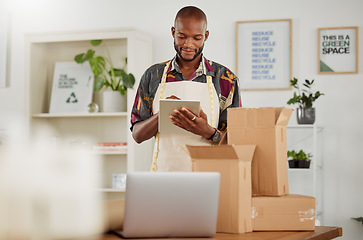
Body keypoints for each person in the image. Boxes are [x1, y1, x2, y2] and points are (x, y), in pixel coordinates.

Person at [130, 6, 241, 172]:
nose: (188, 44)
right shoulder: (153, 75)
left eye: (197, 38)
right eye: (182, 36)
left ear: (206, 36)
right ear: (173, 32)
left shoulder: (226, 79)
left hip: (209, 179)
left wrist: (208, 132)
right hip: (164, 177)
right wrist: (162, 115)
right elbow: (137, 135)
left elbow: (236, 144)